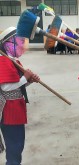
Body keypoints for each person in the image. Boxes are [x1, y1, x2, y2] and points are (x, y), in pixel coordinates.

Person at [0, 27, 40, 165]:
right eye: (20, 41)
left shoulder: (13, 60)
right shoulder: (3, 60)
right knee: (14, 147)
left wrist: (28, 81)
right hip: (9, 111)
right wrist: (25, 78)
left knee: (18, 144)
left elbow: (17, 85)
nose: (22, 44)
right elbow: (6, 87)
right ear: (8, 43)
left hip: (16, 109)